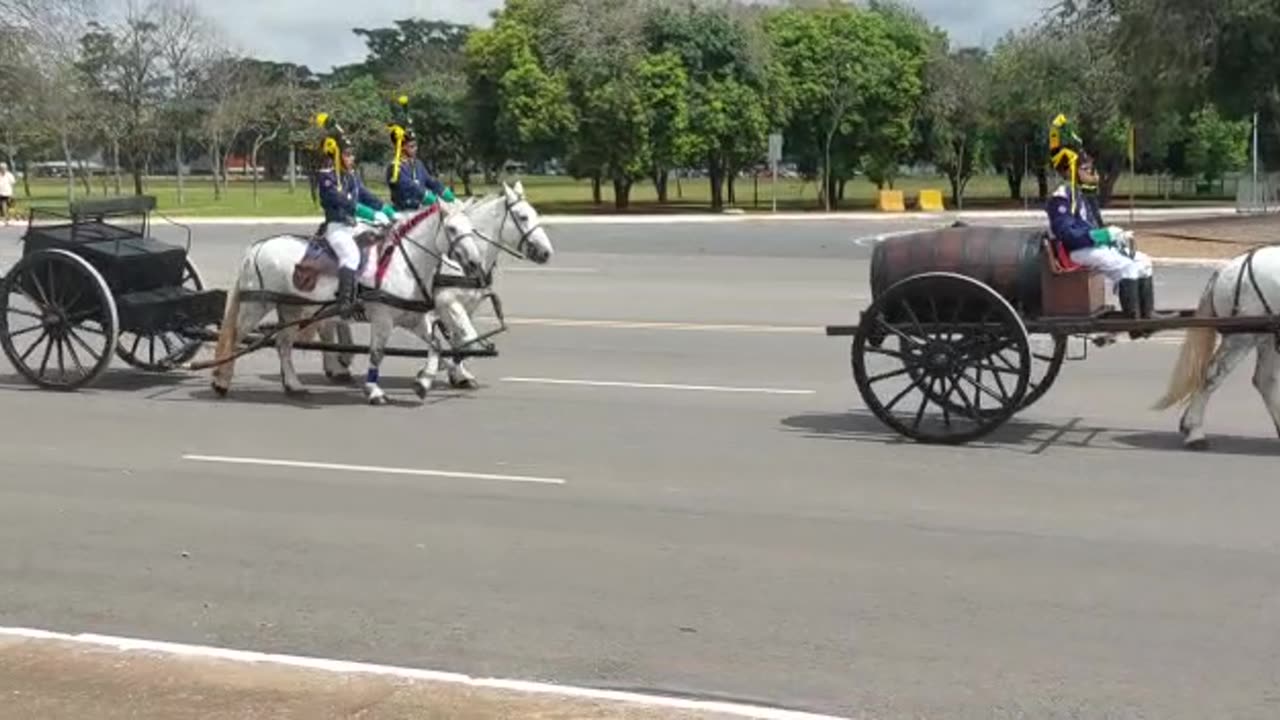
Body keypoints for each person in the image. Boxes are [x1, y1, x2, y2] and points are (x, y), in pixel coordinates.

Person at [1045, 113, 1154, 335]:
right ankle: (1134, 324)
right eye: (1087, 169)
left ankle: (1146, 317)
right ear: (1073, 170)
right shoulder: (1061, 197)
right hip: (1075, 251)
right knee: (1128, 267)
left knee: (1144, 261)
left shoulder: (1083, 195)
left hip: (1088, 246)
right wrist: (1103, 236)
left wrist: (1115, 236)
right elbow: (1068, 235)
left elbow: (1095, 225)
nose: (1093, 172)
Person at [314, 113, 396, 318]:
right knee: (350, 254)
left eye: (352, 154)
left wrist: (385, 209)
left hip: (353, 226)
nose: (352, 159)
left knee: (380, 242)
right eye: (348, 154)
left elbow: (366, 195)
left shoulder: (351, 176)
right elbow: (342, 201)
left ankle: (369, 292)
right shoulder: (327, 177)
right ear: (337, 155)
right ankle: (344, 303)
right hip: (337, 228)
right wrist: (368, 212)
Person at [385, 95, 455, 211]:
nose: (415, 148)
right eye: (411, 146)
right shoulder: (395, 168)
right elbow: (409, 187)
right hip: (403, 212)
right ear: (402, 147)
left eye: (416, 145)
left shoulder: (418, 164)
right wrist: (427, 196)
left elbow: (430, 181)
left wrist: (445, 192)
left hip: (421, 210)